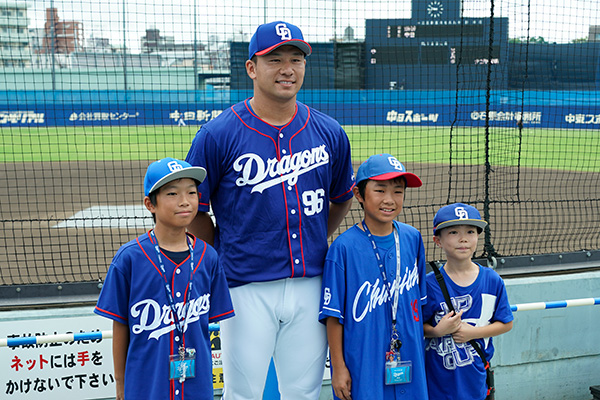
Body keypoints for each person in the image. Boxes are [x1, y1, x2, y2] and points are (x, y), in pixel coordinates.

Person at [185, 21, 355, 399]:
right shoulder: (218, 134)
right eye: (274, 59)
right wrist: (223, 246)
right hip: (245, 288)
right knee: (243, 393)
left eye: (296, 59)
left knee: (305, 392)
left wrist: (316, 234)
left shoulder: (329, 132)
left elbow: (341, 196)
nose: (287, 69)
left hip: (312, 283)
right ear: (251, 68)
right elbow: (191, 207)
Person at [94, 157, 235, 400]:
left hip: (197, 387)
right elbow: (120, 326)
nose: (184, 201)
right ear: (150, 204)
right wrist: (121, 385)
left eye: (191, 192)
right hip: (146, 387)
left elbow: (213, 325)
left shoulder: (208, 257)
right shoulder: (129, 259)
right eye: (172, 194)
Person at [319, 153, 428, 400]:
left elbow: (419, 303)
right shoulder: (343, 248)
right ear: (359, 194)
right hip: (364, 359)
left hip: (410, 355)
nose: (389, 200)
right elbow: (333, 316)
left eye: (398, 191)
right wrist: (338, 367)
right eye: (379, 190)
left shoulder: (412, 239)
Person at [422, 203, 514, 400]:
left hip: (475, 380)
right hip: (436, 383)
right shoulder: (429, 284)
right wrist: (438, 331)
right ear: (437, 240)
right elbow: (416, 327)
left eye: (470, 231)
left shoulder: (492, 280)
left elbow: (506, 323)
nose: (463, 238)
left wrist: (473, 332)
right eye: (453, 232)